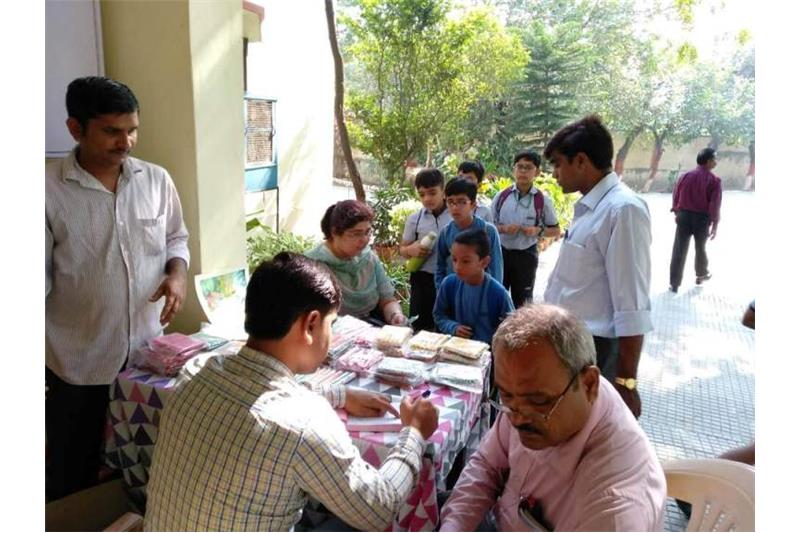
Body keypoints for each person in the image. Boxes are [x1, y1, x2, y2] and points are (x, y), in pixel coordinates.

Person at [145, 253, 439, 531]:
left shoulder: (196, 371)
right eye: (331, 324)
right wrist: (414, 433)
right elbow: (378, 508)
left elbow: (258, 393)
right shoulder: (305, 424)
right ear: (311, 324)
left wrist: (340, 394)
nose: (332, 337)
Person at [45, 76, 190, 501]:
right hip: (78, 362)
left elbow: (176, 238)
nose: (126, 141)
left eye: (132, 129)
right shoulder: (45, 190)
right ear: (76, 128)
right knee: (72, 469)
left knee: (147, 462)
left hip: (147, 358)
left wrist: (177, 273)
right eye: (111, 131)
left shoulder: (156, 180)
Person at [439, 304, 666, 531]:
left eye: (538, 402)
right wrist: (454, 526)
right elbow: (486, 465)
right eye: (506, 396)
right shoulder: (547, 385)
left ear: (589, 385)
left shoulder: (611, 513)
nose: (517, 420)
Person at [543, 115, 652, 418]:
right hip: (571, 345)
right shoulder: (591, 208)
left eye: (558, 163)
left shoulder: (623, 210)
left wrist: (626, 382)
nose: (554, 174)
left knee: (590, 438)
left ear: (581, 161)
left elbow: (632, 304)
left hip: (597, 351)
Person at [306, 200, 407, 325]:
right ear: (335, 233)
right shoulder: (312, 266)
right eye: (356, 234)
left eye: (367, 232)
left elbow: (387, 300)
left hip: (372, 326)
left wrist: (395, 315)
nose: (364, 240)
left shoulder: (368, 258)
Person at [491, 150, 560, 308]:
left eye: (528, 167)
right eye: (519, 167)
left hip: (526, 256)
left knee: (523, 301)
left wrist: (538, 231)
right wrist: (503, 228)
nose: (523, 171)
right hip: (501, 253)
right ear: (513, 169)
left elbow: (556, 230)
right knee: (496, 297)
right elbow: (488, 226)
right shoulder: (501, 197)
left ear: (537, 172)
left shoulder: (542, 200)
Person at [433, 229, 514, 344]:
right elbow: (439, 315)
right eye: (454, 260)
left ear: (484, 262)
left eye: (465, 261)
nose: (457, 267)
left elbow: (512, 329)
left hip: (487, 355)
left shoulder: (498, 293)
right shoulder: (449, 284)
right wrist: (453, 327)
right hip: (454, 351)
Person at [399, 168, 452, 332]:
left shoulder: (455, 216)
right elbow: (402, 249)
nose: (427, 198)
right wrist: (411, 250)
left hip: (448, 279)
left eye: (432, 192)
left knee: (445, 326)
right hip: (421, 280)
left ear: (443, 191)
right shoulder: (415, 219)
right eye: (422, 194)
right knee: (419, 327)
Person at [669, 147, 723, 292]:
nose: (716, 162)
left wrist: (676, 212)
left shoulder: (686, 176)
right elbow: (715, 204)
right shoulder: (714, 181)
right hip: (701, 219)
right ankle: (701, 274)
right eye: (714, 159)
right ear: (708, 161)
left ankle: (674, 283)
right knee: (700, 248)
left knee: (679, 249)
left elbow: (676, 194)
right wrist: (715, 224)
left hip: (684, 216)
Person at [435, 177, 503, 289]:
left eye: (462, 202)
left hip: (482, 293)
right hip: (454, 294)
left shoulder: (488, 231)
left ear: (473, 204)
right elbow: (440, 267)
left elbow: (496, 269)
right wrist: (442, 290)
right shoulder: (446, 233)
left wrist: (493, 296)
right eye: (450, 202)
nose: (455, 207)